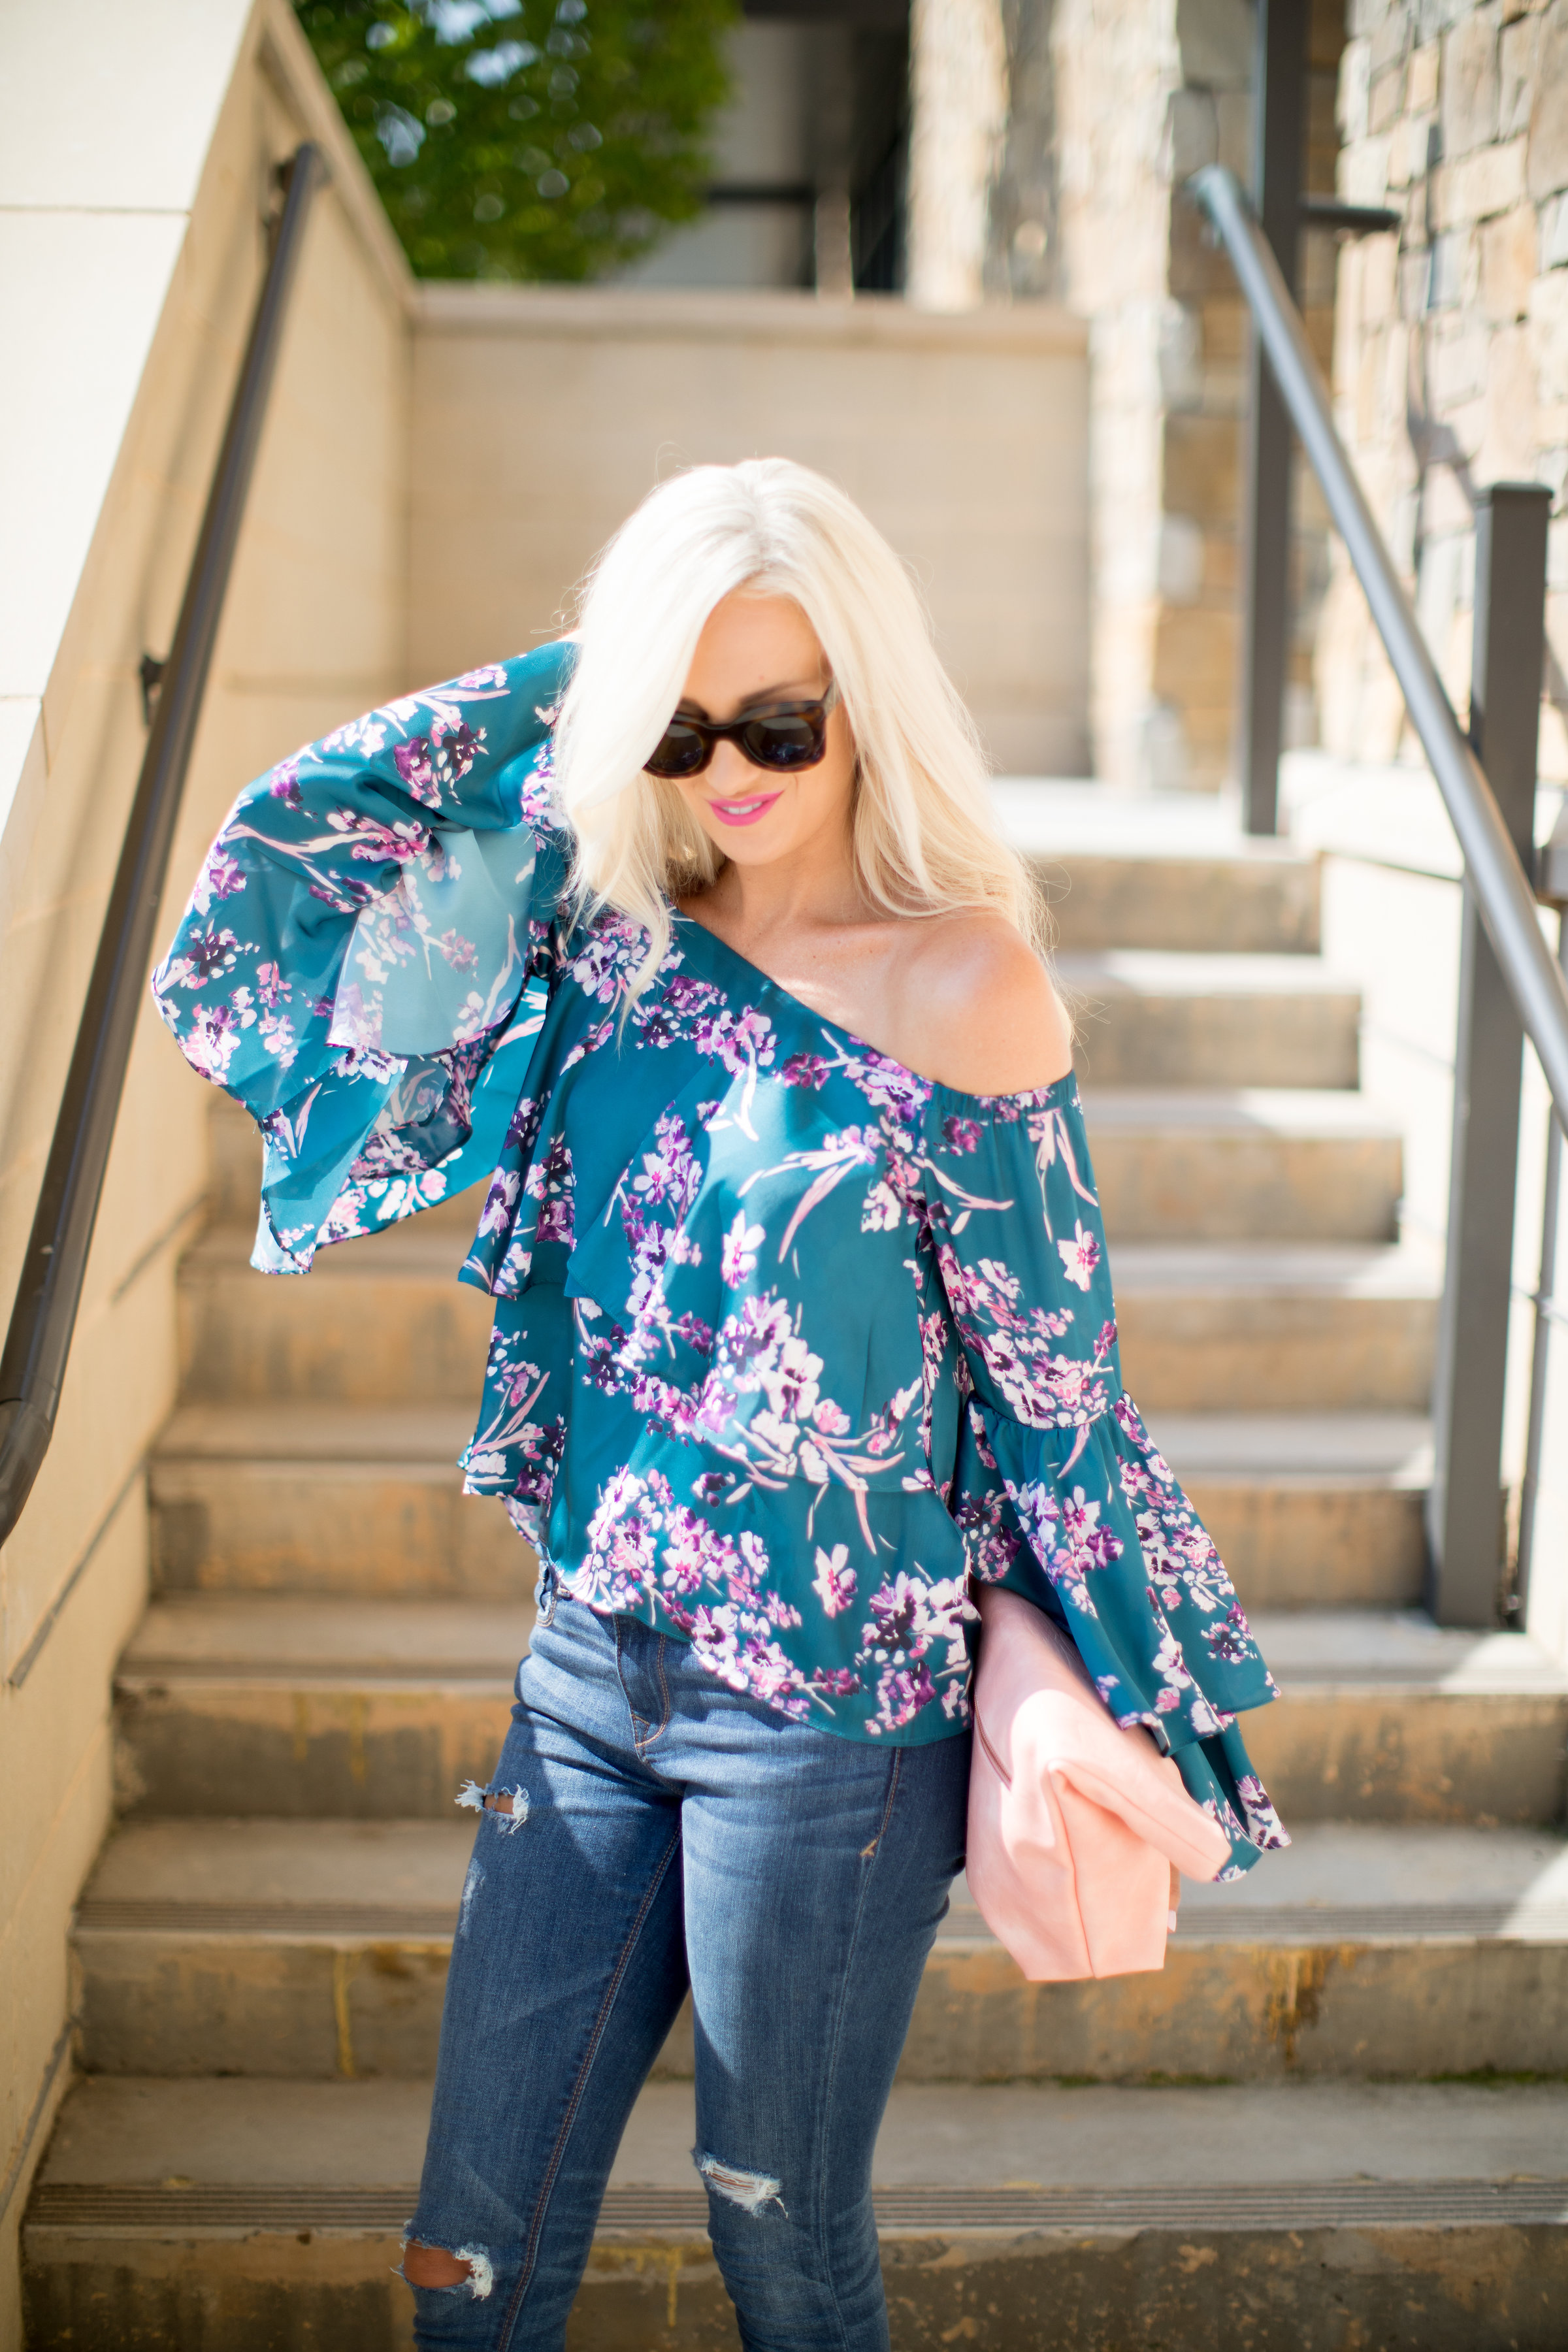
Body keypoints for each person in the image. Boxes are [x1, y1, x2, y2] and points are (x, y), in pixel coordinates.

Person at [153, 459, 1286, 2351]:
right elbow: (310, 854)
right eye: (679, 730)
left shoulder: (965, 988)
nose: (730, 772)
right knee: (463, 2254)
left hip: (833, 1728)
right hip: (590, 1675)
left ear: (868, 701)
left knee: (785, 2250)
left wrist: (1156, 1688)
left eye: (777, 720)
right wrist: (612, 674)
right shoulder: (610, 933)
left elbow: (1057, 1396)